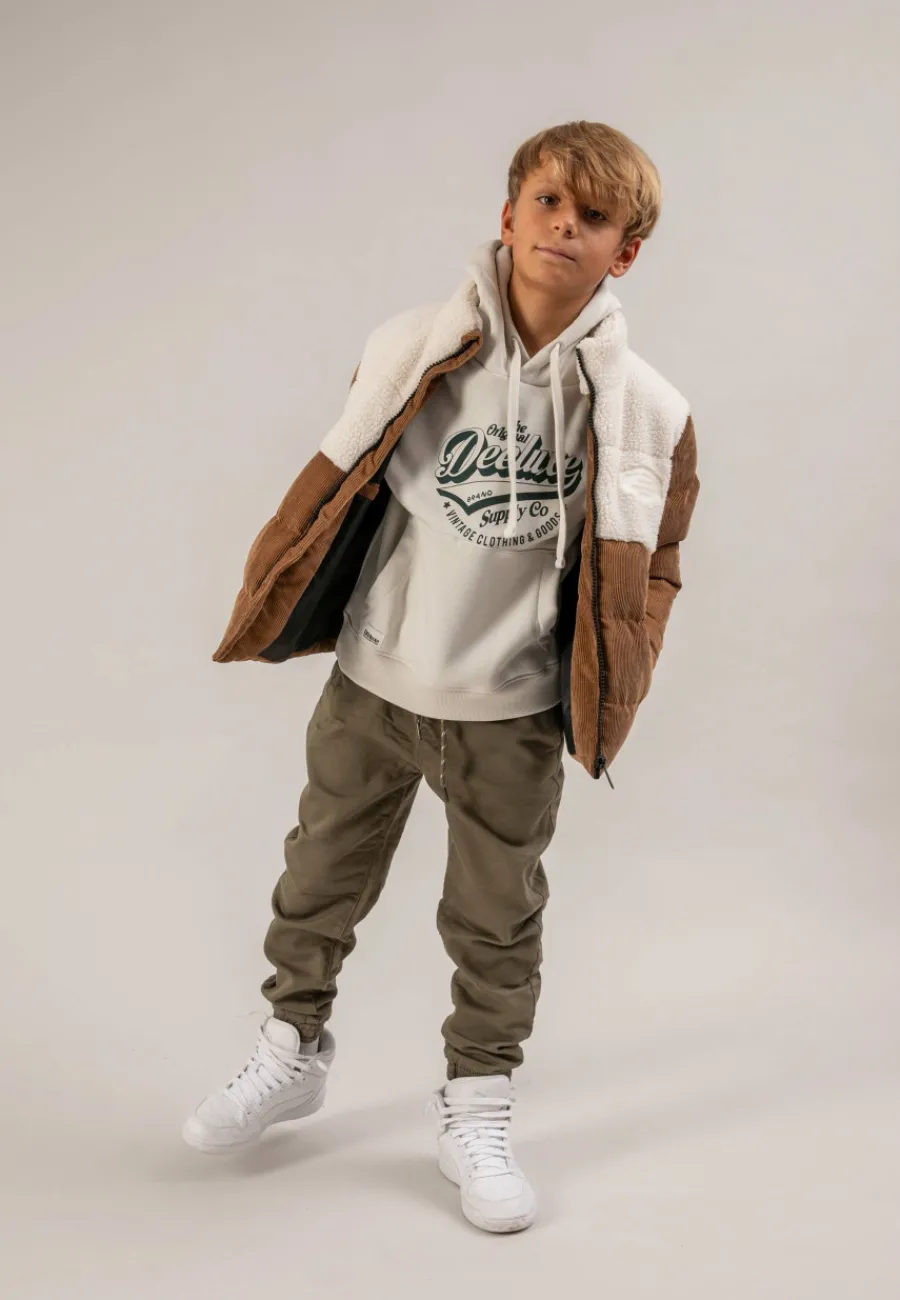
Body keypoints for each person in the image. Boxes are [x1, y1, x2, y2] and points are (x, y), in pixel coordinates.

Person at [182, 120, 700, 1234]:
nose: (564, 226)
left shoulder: (649, 411)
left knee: (495, 921)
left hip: (511, 711)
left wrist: (618, 671)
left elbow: (654, 562)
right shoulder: (412, 345)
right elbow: (346, 479)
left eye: (594, 217)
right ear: (507, 215)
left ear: (626, 251)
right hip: (375, 682)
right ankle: (291, 1046)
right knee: (317, 877)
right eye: (547, 202)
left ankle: (478, 1103)